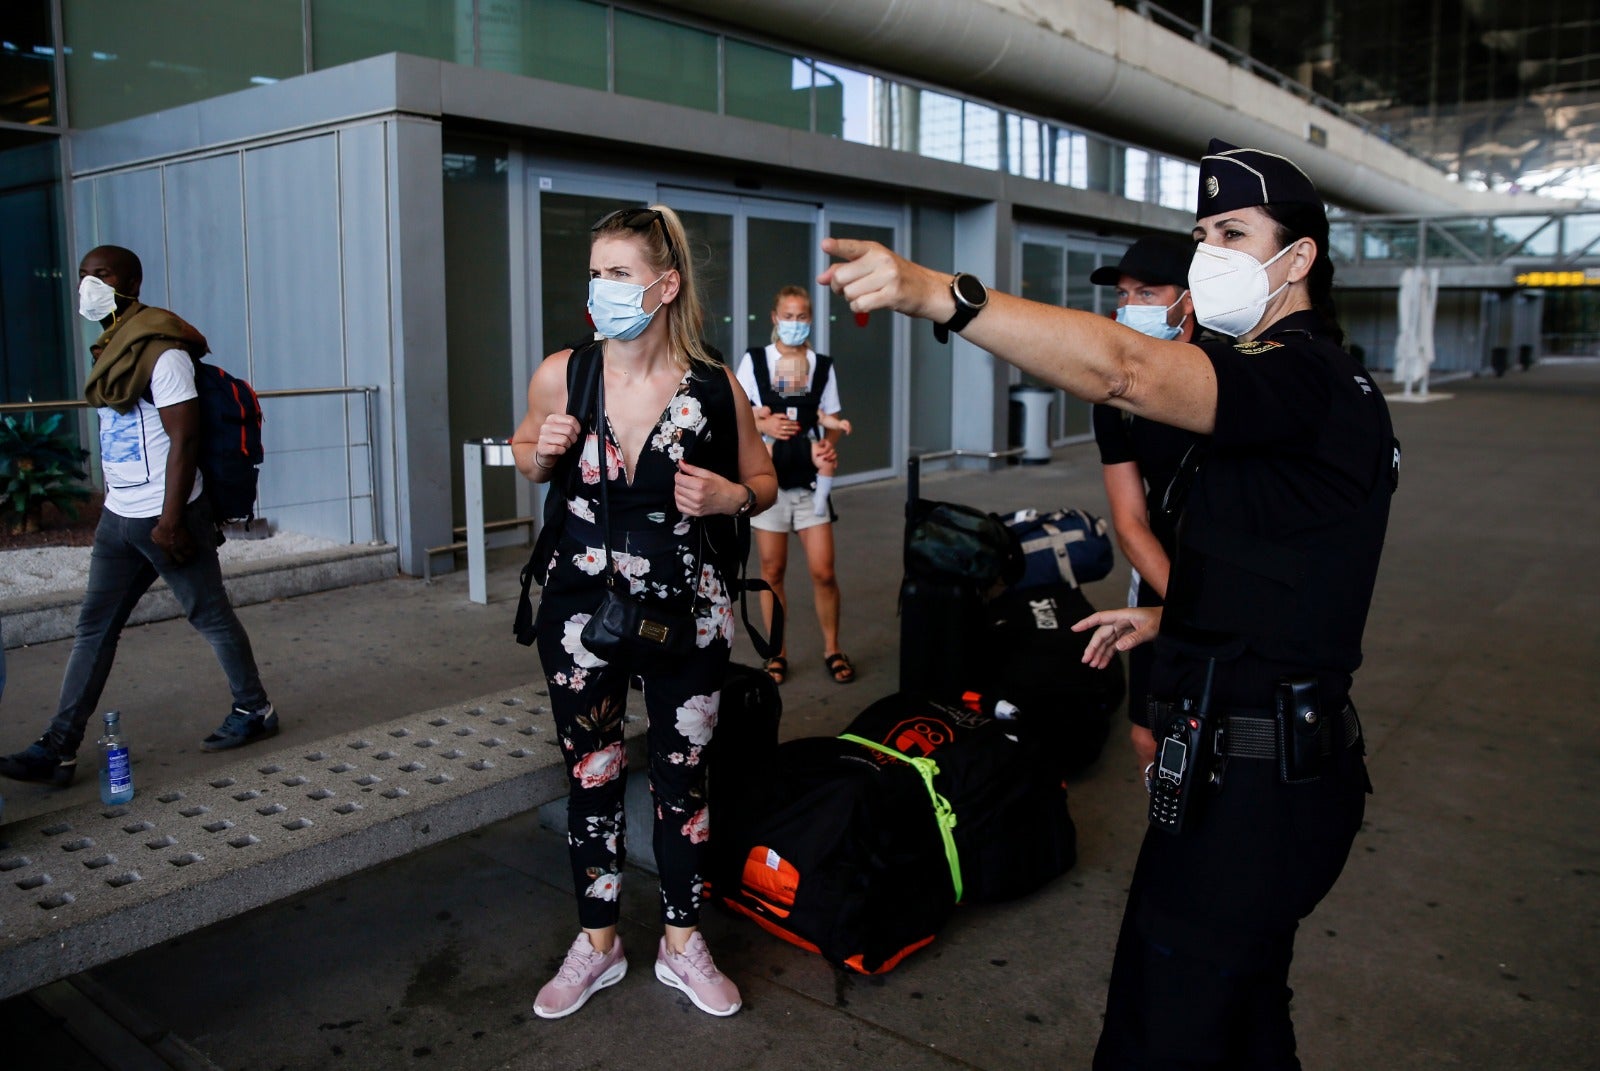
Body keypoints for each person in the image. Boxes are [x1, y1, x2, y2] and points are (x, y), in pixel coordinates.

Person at [821, 139, 1396, 1069]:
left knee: (1159, 1031)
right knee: (1243, 1016)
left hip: (1258, 785)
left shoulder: (1303, 377)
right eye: (1202, 230)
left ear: (1300, 259)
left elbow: (1125, 369)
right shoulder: (1296, 386)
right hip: (1254, 761)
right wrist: (1173, 616)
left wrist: (942, 295)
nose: (1210, 251)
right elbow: (1300, 576)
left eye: (1235, 233)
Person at [511, 204, 776, 1020]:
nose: (601, 289)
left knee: (683, 778)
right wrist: (542, 449)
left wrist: (732, 494)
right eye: (595, 273)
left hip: (687, 612)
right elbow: (524, 455)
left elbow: (763, 484)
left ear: (665, 286)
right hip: (579, 611)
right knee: (590, 774)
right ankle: (598, 943)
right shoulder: (566, 372)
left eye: (618, 273)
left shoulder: (712, 385)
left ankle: (680, 939)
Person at [0, 246, 280, 789]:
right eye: (83, 275)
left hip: (167, 516)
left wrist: (172, 521)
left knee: (210, 615)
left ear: (131, 280)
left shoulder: (163, 353)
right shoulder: (110, 350)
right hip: (118, 518)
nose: (88, 284)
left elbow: (186, 437)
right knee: (93, 629)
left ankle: (255, 711)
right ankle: (57, 749)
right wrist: (114, 497)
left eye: (100, 274)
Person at [1088, 235, 1203, 725]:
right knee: (1147, 732)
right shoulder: (1114, 397)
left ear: (1188, 300)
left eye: (1147, 294)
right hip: (1161, 566)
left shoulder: (1226, 374)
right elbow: (1131, 521)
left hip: (1230, 566)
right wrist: (1188, 615)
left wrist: (1216, 619)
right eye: (1122, 294)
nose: (1129, 306)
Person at [733, 286, 855, 685]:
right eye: (789, 315)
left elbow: (832, 419)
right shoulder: (755, 362)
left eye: (803, 316)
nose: (795, 323)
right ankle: (777, 653)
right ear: (774, 317)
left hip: (809, 483)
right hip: (768, 486)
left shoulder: (821, 366)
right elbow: (735, 417)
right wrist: (763, 424)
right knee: (772, 571)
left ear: (810, 320)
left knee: (823, 570)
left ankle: (833, 647)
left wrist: (827, 448)